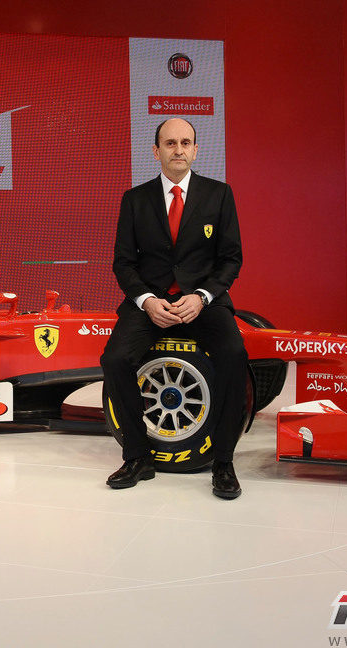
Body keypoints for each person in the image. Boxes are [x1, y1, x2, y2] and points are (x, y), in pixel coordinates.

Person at [100, 117, 248, 499]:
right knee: (115, 359)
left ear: (196, 150)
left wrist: (202, 297)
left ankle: (224, 462)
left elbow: (230, 259)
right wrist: (147, 301)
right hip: (150, 303)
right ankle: (136, 456)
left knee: (233, 354)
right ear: (156, 151)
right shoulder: (135, 199)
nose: (178, 149)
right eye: (170, 143)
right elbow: (123, 263)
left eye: (186, 142)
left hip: (203, 303)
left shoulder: (219, 194)